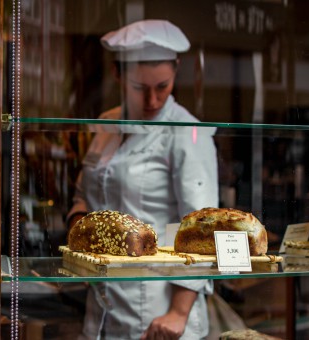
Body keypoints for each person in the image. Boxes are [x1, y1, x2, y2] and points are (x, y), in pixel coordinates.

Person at [67, 20, 219, 340]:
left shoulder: (188, 132)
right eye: (139, 88)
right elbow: (85, 192)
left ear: (176, 71)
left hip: (159, 314)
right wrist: (80, 229)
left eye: (162, 86)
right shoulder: (105, 124)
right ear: (117, 74)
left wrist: (178, 313)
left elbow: (202, 230)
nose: (152, 101)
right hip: (102, 307)